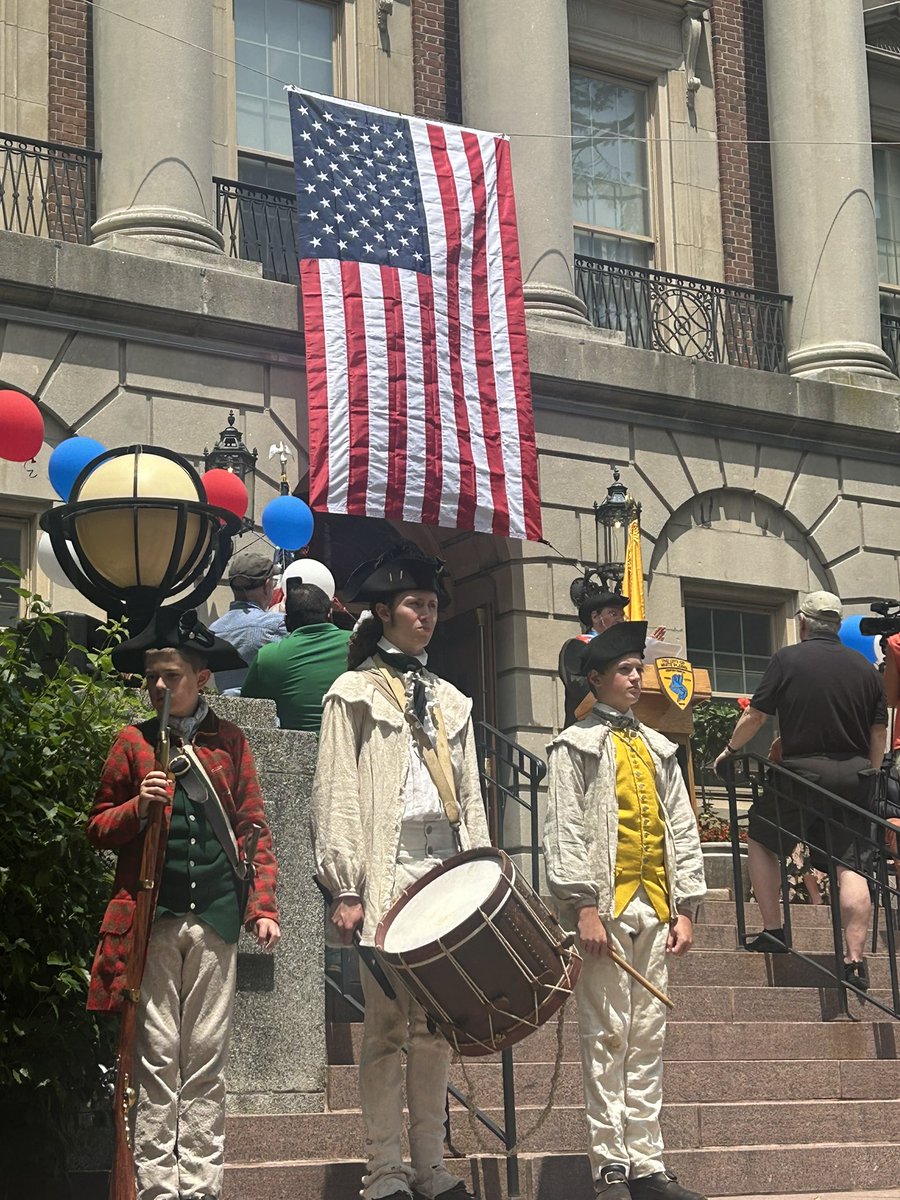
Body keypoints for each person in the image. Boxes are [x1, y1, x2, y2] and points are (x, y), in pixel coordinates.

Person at [310, 543, 490, 1200]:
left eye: (434, 604)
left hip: (446, 869)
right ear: (383, 612)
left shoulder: (452, 700)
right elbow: (336, 793)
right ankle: (384, 1173)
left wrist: (481, 873)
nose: (428, 615)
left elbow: (470, 796)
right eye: (416, 604)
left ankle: (430, 1168)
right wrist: (346, 886)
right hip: (385, 871)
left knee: (438, 1026)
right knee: (386, 1028)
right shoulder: (352, 694)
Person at [86, 607, 280, 1200]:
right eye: (152, 678)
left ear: (201, 678)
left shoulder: (231, 741)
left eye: (171, 676)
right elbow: (97, 827)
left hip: (217, 919)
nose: (160, 687)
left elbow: (252, 828)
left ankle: (200, 1186)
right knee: (158, 1055)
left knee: (204, 1058)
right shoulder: (133, 743)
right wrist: (137, 809)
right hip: (153, 922)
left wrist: (262, 907)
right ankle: (155, 1187)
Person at [544, 620, 706, 1200]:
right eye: (626, 671)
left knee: (647, 1037)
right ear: (597, 679)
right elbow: (564, 831)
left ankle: (648, 1162)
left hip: (656, 909)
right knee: (606, 1033)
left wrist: (686, 907)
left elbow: (681, 831)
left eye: (639, 669)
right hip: (606, 912)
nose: (638, 678)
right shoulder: (574, 746)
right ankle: (609, 1163)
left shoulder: (659, 748)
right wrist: (583, 907)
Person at [714, 590, 887, 991]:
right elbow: (879, 731)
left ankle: (775, 930)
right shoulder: (865, 668)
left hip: (802, 771)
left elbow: (756, 715)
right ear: (837, 625)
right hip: (855, 775)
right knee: (852, 865)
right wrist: (872, 774)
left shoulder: (787, 659)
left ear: (803, 623)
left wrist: (729, 750)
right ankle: (854, 960)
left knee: (761, 835)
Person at [241, 581, 351, 731]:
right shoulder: (358, 644)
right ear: (329, 615)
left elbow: (248, 711)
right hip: (353, 747)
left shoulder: (268, 656)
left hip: (296, 751)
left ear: (286, 622)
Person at [559, 590, 666, 726]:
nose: (620, 620)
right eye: (613, 614)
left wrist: (647, 648)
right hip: (586, 725)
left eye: (622, 615)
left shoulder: (624, 652)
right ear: (595, 617)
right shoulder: (577, 646)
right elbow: (576, 684)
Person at [209, 547, 287, 692]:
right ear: (267, 586)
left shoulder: (213, 630)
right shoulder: (276, 624)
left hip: (224, 711)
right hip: (265, 711)